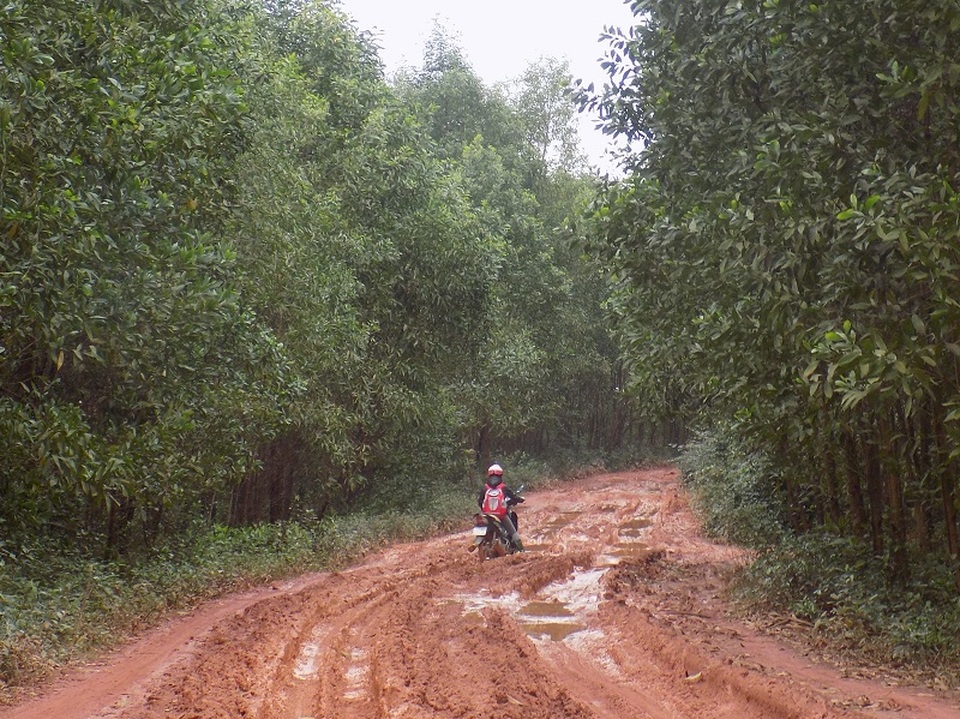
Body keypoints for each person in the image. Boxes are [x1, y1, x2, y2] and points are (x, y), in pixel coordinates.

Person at [477, 463, 525, 552]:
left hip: (486, 515)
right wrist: (520, 499)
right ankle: (522, 550)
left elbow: (479, 501)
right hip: (501, 515)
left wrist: (483, 510)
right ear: (501, 475)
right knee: (513, 531)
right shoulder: (503, 488)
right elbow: (513, 497)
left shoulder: (485, 488)